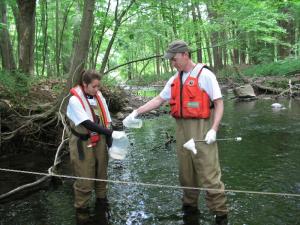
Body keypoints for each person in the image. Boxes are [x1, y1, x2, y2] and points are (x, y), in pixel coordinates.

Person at [123, 40, 228, 225]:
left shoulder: (205, 75)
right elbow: (158, 99)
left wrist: (214, 129)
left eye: (174, 58)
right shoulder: (175, 79)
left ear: (185, 55)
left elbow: (219, 103)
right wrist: (136, 112)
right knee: (186, 175)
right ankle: (190, 212)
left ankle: (220, 216)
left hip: (203, 129)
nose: (172, 62)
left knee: (210, 176)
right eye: (170, 59)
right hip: (181, 130)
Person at [66, 69, 118, 224]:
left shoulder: (98, 96)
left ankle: (102, 206)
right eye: (94, 87)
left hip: (100, 140)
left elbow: (106, 118)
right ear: (85, 85)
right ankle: (82, 212)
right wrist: (108, 132)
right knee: (85, 179)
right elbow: (86, 123)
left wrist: (109, 139)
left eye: (98, 86)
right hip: (83, 143)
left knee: (102, 173)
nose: (97, 90)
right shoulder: (74, 101)